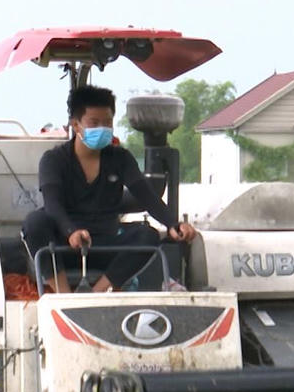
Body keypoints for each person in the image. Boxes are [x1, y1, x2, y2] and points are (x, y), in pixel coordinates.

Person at [22, 85, 196, 293]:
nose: (102, 128)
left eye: (107, 123)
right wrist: (71, 231)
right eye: (94, 123)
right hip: (65, 245)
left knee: (147, 235)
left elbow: (147, 196)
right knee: (35, 222)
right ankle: (63, 295)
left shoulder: (120, 158)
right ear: (76, 125)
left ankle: (98, 293)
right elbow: (52, 204)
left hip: (105, 242)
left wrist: (172, 224)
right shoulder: (53, 160)